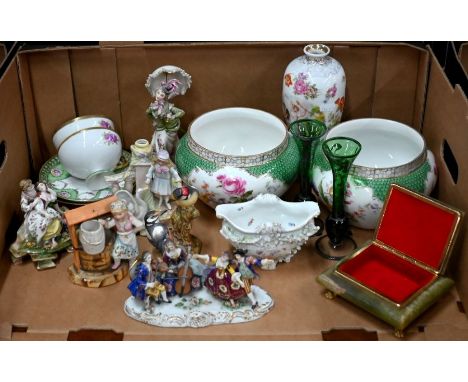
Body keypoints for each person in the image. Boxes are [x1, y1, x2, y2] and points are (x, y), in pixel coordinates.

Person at [99, 199, 144, 269]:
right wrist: (104, 223)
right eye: (115, 214)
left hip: (130, 238)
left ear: (125, 211)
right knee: (116, 253)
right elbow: (108, 226)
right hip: (120, 238)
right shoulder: (115, 220)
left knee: (132, 253)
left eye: (120, 214)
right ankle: (117, 262)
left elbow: (141, 225)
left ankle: (131, 263)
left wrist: (134, 231)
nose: (117, 217)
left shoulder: (130, 218)